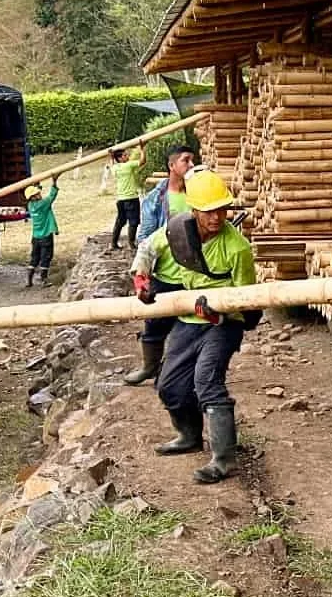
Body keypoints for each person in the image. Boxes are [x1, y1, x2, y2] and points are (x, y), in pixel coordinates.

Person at [131, 168, 257, 483]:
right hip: (189, 320)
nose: (217, 217)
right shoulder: (176, 231)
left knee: (206, 382)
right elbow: (147, 248)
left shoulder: (237, 248)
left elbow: (247, 304)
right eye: (209, 211)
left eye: (222, 210)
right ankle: (188, 436)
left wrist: (218, 312)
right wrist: (141, 279)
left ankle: (223, 459)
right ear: (194, 210)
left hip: (223, 325)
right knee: (169, 385)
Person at [124, 148, 197, 386]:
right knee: (154, 323)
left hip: (195, 274)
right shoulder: (157, 197)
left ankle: (183, 372)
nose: (190, 164)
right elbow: (145, 238)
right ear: (172, 165)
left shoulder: (199, 194)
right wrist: (141, 276)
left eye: (192, 160)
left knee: (191, 326)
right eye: (185, 160)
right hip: (165, 273)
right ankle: (149, 366)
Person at [104, 146, 144, 249]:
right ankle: (131, 244)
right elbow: (143, 161)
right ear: (120, 158)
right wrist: (142, 149)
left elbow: (112, 163)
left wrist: (111, 157)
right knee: (133, 221)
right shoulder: (128, 166)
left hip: (121, 200)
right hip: (131, 198)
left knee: (120, 221)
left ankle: (113, 243)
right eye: (125, 155)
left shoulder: (115, 168)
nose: (128, 156)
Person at [23, 177, 59, 288]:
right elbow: (52, 196)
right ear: (33, 197)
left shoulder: (30, 205)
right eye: (37, 194)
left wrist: (36, 184)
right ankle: (43, 280)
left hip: (35, 237)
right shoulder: (43, 204)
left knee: (34, 258)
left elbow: (37, 193)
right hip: (46, 236)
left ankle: (29, 279)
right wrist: (54, 182)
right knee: (46, 257)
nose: (40, 194)